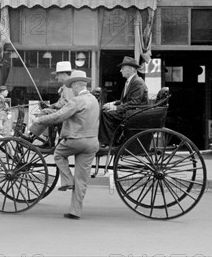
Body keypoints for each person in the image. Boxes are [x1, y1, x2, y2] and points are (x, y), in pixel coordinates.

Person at [29, 70, 99, 220]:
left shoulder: (77, 100)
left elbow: (60, 116)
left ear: (77, 85)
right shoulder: (94, 100)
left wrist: (39, 120)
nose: (71, 89)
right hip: (92, 142)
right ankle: (75, 211)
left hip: (76, 140)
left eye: (72, 86)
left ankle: (67, 181)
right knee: (81, 178)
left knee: (59, 154)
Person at [98, 56, 148, 147]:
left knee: (106, 114)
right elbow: (125, 101)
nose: (121, 71)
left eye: (123, 68)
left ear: (132, 69)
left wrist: (116, 108)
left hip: (135, 113)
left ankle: (108, 141)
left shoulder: (138, 82)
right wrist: (113, 103)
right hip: (130, 111)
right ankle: (113, 139)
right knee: (104, 111)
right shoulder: (130, 81)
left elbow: (134, 103)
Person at [39, 61, 74, 148]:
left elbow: (68, 104)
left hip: (66, 115)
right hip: (64, 113)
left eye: (57, 74)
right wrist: (52, 106)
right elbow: (61, 102)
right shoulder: (66, 86)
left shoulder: (69, 87)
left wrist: (52, 108)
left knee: (45, 113)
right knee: (47, 112)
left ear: (63, 74)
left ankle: (33, 136)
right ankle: (49, 141)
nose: (56, 77)